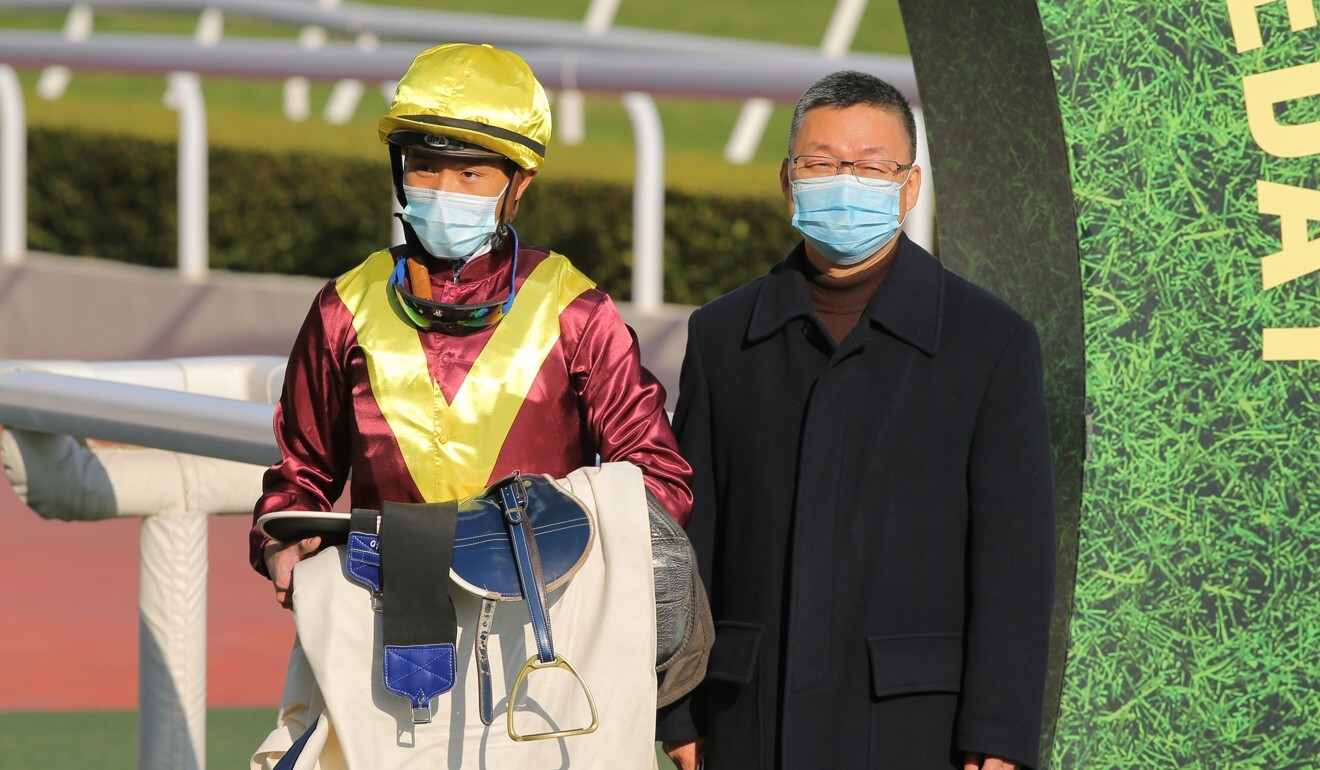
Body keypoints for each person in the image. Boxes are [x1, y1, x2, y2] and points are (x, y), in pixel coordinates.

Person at [658, 71, 1056, 769]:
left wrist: (997, 736)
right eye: (821, 163)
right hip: (747, 715)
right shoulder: (723, 336)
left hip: (913, 725)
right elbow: (691, 538)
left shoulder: (990, 342)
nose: (845, 181)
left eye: (871, 166)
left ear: (909, 185)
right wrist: (679, 707)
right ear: (788, 181)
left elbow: (1014, 564)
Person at [249, 42, 692, 606]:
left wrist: (569, 548)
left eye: (471, 174)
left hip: (541, 621)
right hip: (386, 612)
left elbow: (657, 478)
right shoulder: (345, 306)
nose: (441, 191)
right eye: (424, 167)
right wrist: (278, 541)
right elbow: (300, 473)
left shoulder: (576, 311)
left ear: (519, 183)